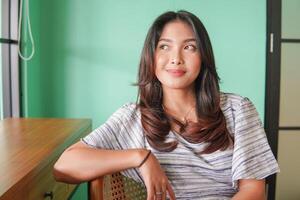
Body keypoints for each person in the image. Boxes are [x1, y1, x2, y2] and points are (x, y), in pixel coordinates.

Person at [53, 10, 280, 200]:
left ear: (204, 56)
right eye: (164, 47)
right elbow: (64, 167)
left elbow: (253, 190)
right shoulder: (132, 117)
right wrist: (140, 157)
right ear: (150, 57)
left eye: (189, 47)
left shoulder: (237, 109)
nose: (176, 58)